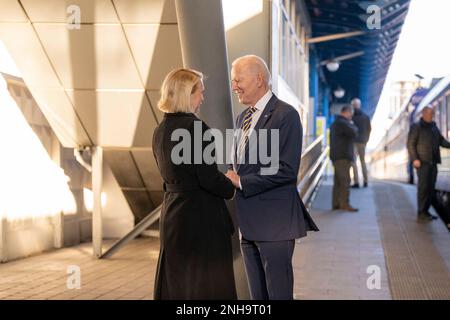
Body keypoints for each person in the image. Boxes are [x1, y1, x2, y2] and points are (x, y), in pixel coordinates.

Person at [225, 55, 318, 300]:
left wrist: (242, 181)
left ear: (259, 79)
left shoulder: (285, 115)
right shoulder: (242, 118)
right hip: (247, 223)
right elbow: (239, 164)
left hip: (274, 225)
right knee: (258, 297)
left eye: (238, 79)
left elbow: (286, 169)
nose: (234, 85)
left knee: (278, 294)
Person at [152, 68, 237, 299]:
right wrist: (231, 184)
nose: (203, 97)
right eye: (200, 91)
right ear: (186, 94)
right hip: (200, 219)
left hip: (172, 215)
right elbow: (208, 178)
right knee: (205, 286)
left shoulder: (160, 130)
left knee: (178, 282)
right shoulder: (197, 129)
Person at [407, 106, 450, 221]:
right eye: (429, 113)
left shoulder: (434, 127)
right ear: (423, 114)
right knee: (423, 188)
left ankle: (425, 211)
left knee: (431, 188)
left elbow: (441, 141)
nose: (431, 115)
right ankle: (421, 212)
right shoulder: (416, 127)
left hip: (433, 162)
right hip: (422, 162)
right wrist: (415, 159)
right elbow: (410, 144)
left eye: (432, 113)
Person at [330, 105, 359, 212]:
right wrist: (352, 124)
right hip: (343, 156)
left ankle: (336, 203)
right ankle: (345, 204)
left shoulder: (335, 123)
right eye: (351, 114)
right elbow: (354, 132)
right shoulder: (343, 123)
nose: (351, 117)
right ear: (347, 112)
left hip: (336, 156)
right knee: (345, 181)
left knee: (338, 181)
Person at [350, 98, 371, 188]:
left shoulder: (351, 117)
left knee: (354, 162)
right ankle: (366, 181)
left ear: (353, 106)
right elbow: (369, 129)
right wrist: (366, 140)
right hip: (362, 142)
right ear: (359, 105)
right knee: (363, 161)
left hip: (353, 142)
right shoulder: (366, 117)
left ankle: (356, 182)